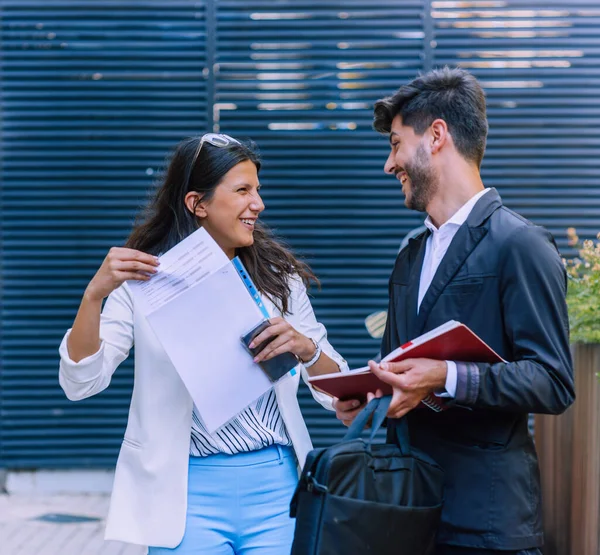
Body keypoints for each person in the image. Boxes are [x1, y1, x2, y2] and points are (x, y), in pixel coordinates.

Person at [58, 133, 348, 554]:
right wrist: (94, 296)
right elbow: (81, 382)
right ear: (198, 203)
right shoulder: (143, 283)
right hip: (184, 493)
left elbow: (334, 390)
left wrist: (308, 350)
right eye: (243, 191)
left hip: (278, 488)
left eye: (258, 191)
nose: (258, 204)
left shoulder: (278, 280)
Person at [333, 67, 575, 555]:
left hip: (486, 521)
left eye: (396, 144)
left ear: (436, 136)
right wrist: (374, 396)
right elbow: (404, 367)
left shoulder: (521, 244)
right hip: (406, 513)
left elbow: (553, 381)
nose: (389, 164)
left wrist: (445, 374)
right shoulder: (410, 251)